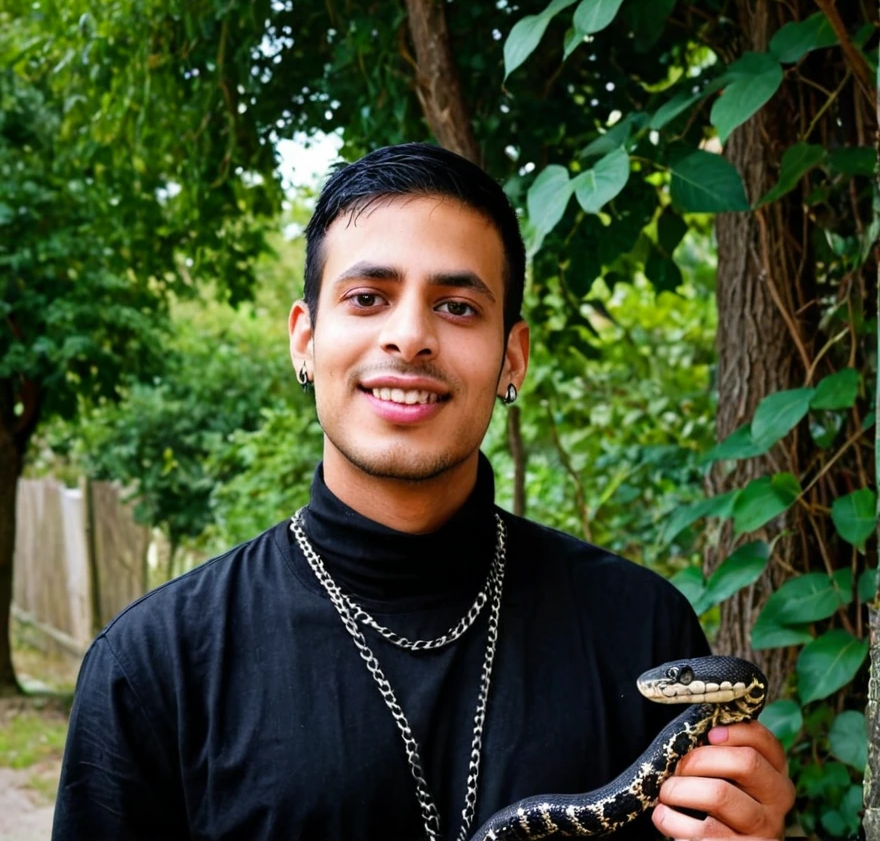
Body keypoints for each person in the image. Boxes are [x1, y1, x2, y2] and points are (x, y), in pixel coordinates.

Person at [53, 143, 794, 841]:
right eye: (369, 297)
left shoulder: (643, 633)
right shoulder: (153, 665)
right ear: (304, 340)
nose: (410, 337)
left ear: (514, 358)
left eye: (458, 306)